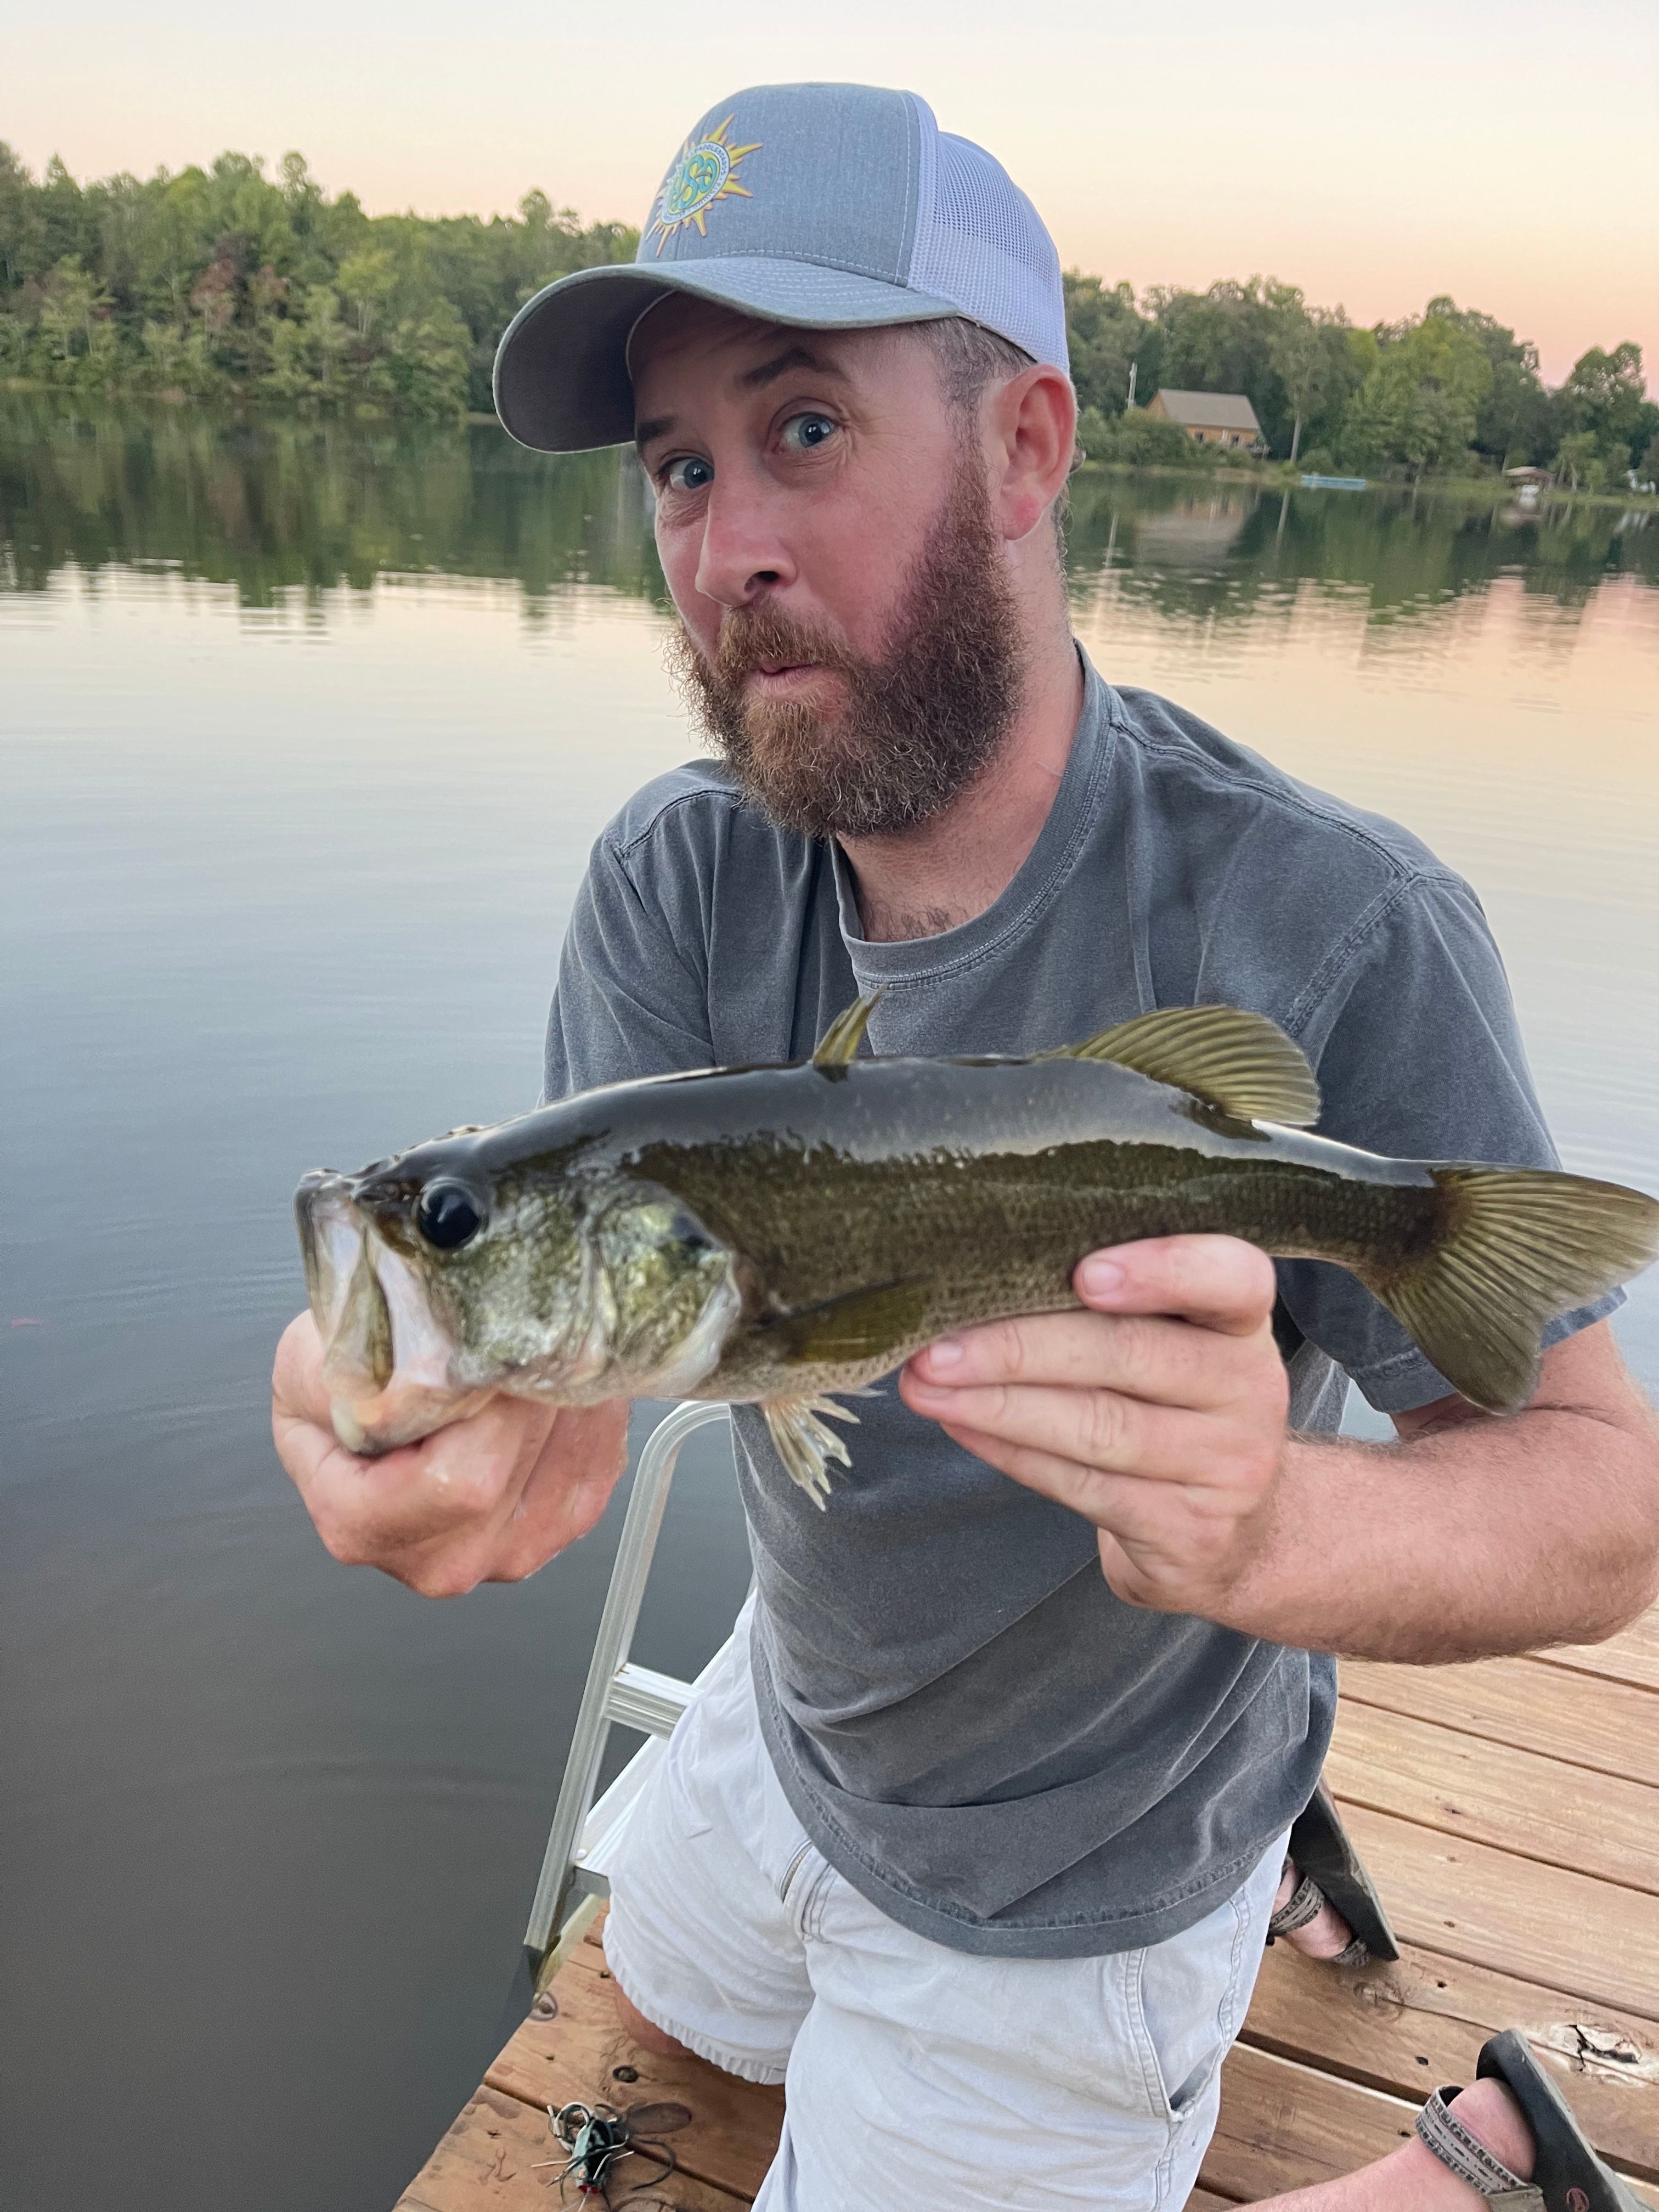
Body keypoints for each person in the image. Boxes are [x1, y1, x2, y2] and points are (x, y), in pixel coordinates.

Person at [273, 82, 1659, 2211]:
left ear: (1024, 448)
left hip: (1093, 1860)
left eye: (805, 428)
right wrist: (444, 1430)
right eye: (677, 463)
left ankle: (1461, 2164)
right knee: (657, 2003)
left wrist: (1269, 1531)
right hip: (797, 1724)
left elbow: (1604, 1501)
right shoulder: (674, 882)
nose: (725, 543)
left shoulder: (1340, 927)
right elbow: (592, 1380)